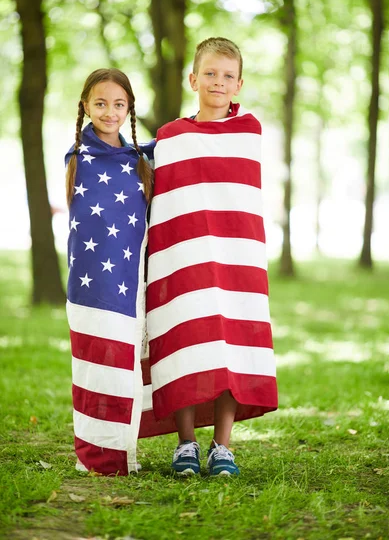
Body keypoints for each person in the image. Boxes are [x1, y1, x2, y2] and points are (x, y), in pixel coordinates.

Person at [146, 38, 278, 476]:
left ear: (239, 84)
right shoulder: (170, 137)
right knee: (184, 339)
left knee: (231, 345)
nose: (217, 82)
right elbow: (158, 195)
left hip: (235, 258)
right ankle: (186, 443)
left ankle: (223, 446)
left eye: (226, 76)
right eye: (209, 73)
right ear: (193, 79)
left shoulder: (249, 131)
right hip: (181, 256)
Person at [65, 68, 154, 475]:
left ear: (130, 108)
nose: (110, 111)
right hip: (90, 286)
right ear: (85, 105)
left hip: (129, 282)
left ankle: (122, 451)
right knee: (93, 365)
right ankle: (97, 453)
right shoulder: (77, 159)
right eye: (100, 103)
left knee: (124, 365)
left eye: (119, 104)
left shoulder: (141, 161)